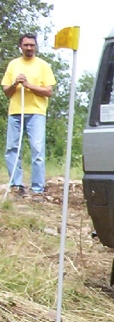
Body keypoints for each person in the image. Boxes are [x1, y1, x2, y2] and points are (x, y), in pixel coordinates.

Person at [2, 34, 56, 199]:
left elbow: (48, 91)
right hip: (16, 111)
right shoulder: (13, 65)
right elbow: (6, 92)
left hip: (36, 112)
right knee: (12, 149)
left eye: (32, 45)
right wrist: (15, 83)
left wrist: (28, 86)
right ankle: (16, 185)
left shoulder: (43, 65)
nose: (29, 48)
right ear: (21, 46)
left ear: (36, 46)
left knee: (37, 149)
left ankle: (38, 189)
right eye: (26, 45)